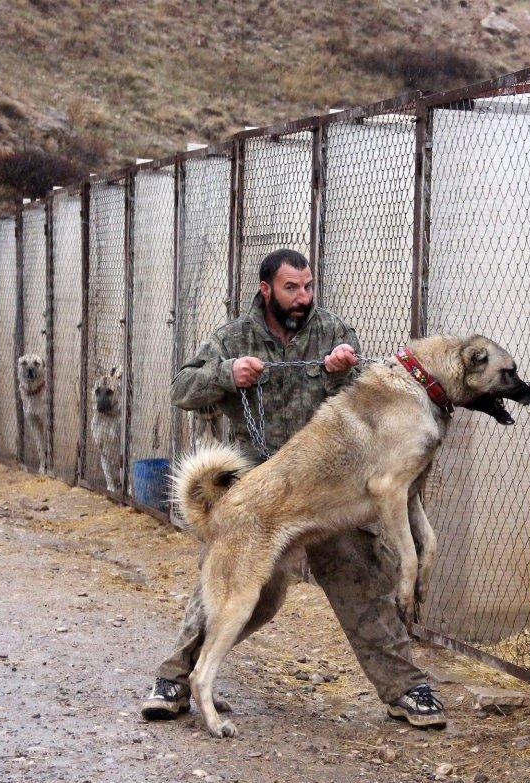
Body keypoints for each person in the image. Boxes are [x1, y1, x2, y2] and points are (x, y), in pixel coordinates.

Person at [140, 248, 445, 729]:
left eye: (307, 287)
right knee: (230, 594)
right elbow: (181, 389)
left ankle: (405, 688)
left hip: (328, 487)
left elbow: (366, 406)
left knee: (362, 575)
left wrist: (342, 372)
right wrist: (226, 375)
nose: (303, 297)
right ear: (266, 290)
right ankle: (175, 680)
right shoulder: (233, 337)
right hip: (259, 493)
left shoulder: (333, 333)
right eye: (291, 288)